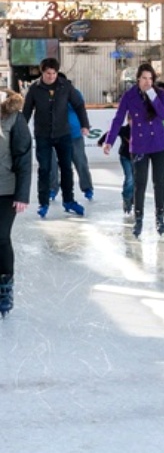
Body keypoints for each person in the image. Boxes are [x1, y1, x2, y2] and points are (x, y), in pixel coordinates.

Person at [104, 63, 164, 238]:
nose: (147, 82)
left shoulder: (160, 94)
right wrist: (109, 141)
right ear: (138, 79)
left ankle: (160, 218)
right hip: (140, 145)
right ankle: (139, 218)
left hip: (159, 144)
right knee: (139, 183)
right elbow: (118, 119)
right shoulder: (129, 96)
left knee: (159, 182)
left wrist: (152, 95)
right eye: (144, 78)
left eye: (150, 79)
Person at [21, 58, 90, 218]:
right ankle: (43, 203)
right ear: (42, 72)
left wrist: (84, 124)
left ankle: (69, 200)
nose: (51, 76)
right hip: (43, 135)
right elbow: (27, 110)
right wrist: (22, 130)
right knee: (44, 169)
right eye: (48, 73)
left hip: (63, 134)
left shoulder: (65, 86)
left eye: (54, 73)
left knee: (66, 168)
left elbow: (79, 105)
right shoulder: (35, 88)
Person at [0, 90, 32, 318]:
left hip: (5, 189)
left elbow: (23, 157)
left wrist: (22, 193)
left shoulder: (14, 116)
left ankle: (4, 287)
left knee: (0, 237)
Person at [47, 75, 94, 203]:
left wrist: (85, 125)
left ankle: (87, 187)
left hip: (73, 135)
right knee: (52, 164)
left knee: (80, 162)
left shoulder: (74, 93)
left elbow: (80, 109)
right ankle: (52, 188)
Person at [98, 119, 133, 214]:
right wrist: (102, 142)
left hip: (138, 157)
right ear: (128, 120)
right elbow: (111, 132)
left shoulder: (141, 128)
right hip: (125, 157)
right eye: (132, 120)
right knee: (129, 177)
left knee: (137, 179)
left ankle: (132, 198)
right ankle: (127, 198)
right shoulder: (124, 130)